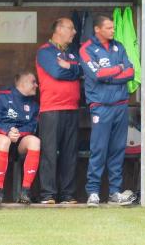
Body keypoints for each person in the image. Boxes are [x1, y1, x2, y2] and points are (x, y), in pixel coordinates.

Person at [79, 14, 135, 207]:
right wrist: (118, 69)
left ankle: (114, 192)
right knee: (99, 150)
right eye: (109, 28)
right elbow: (97, 75)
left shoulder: (119, 46)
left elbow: (131, 72)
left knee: (117, 150)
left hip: (121, 105)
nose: (113, 31)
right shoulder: (86, 49)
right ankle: (93, 192)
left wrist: (112, 74)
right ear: (97, 29)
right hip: (100, 107)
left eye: (113, 28)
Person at [35, 17, 81, 204]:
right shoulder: (45, 52)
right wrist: (73, 70)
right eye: (71, 28)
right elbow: (56, 72)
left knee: (70, 154)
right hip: (51, 109)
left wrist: (71, 67)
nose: (74, 32)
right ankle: (48, 194)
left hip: (72, 108)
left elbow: (83, 70)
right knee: (50, 153)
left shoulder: (71, 54)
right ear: (59, 30)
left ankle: (67, 195)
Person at [0, 71, 40, 205]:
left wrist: (18, 133)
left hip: (19, 139)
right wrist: (7, 132)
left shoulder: (34, 104)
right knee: (4, 141)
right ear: (22, 83)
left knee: (35, 141)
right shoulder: (1, 96)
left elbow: (33, 127)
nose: (36, 85)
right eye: (33, 82)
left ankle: (25, 191)